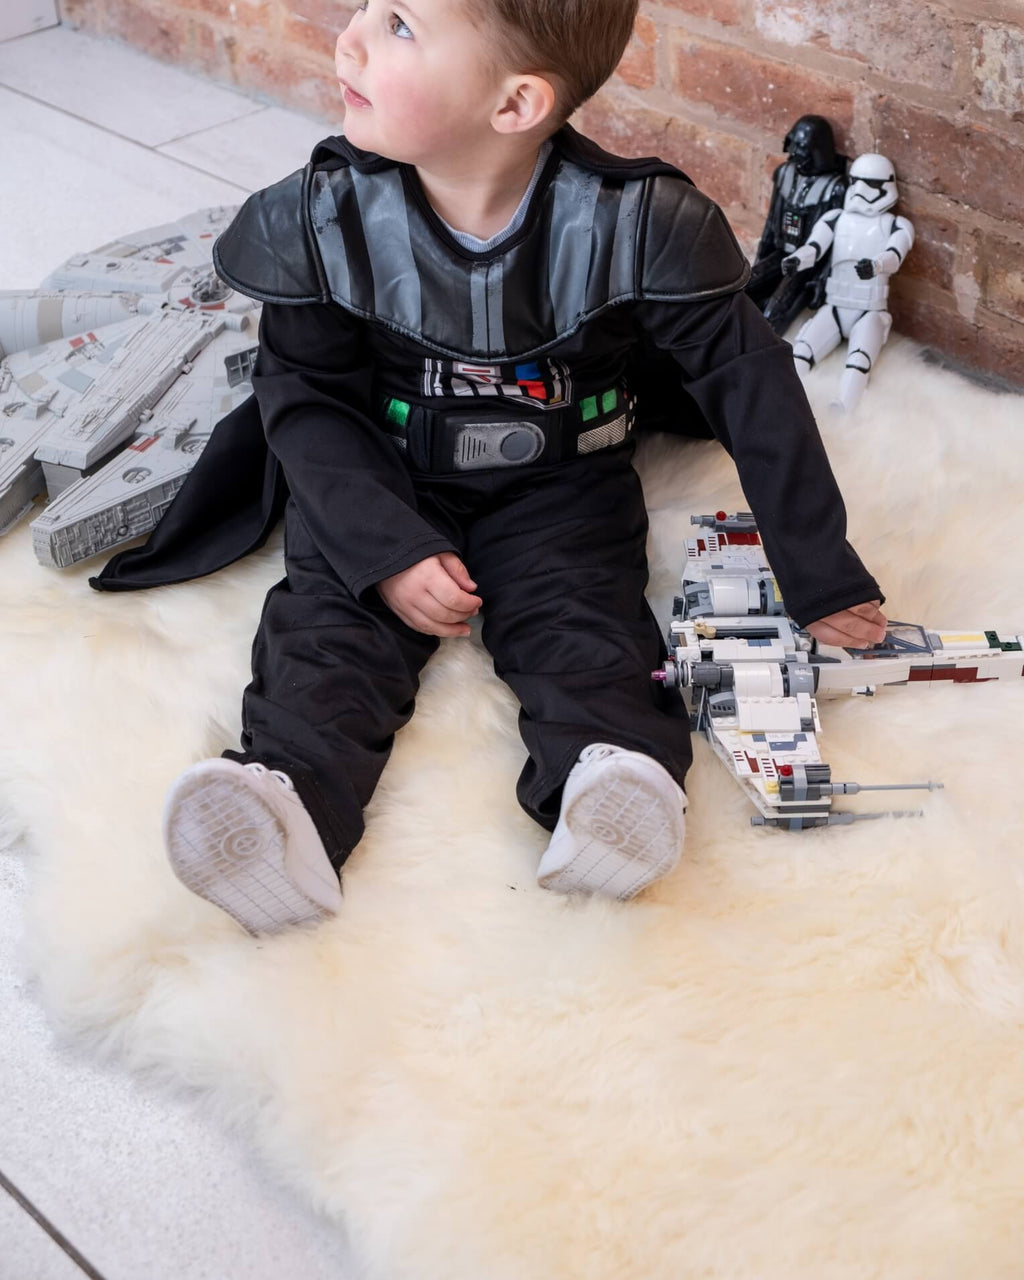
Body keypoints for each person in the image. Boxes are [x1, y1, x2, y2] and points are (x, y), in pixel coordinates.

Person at [135, 0, 888, 934]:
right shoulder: (325, 216)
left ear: (515, 101)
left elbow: (751, 383)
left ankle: (608, 786)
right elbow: (304, 396)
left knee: (585, 623)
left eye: (400, 25)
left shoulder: (635, 220)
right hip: (381, 470)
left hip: (560, 480)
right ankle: (284, 807)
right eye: (368, 8)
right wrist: (387, 550)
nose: (352, 35)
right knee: (328, 631)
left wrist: (818, 570)